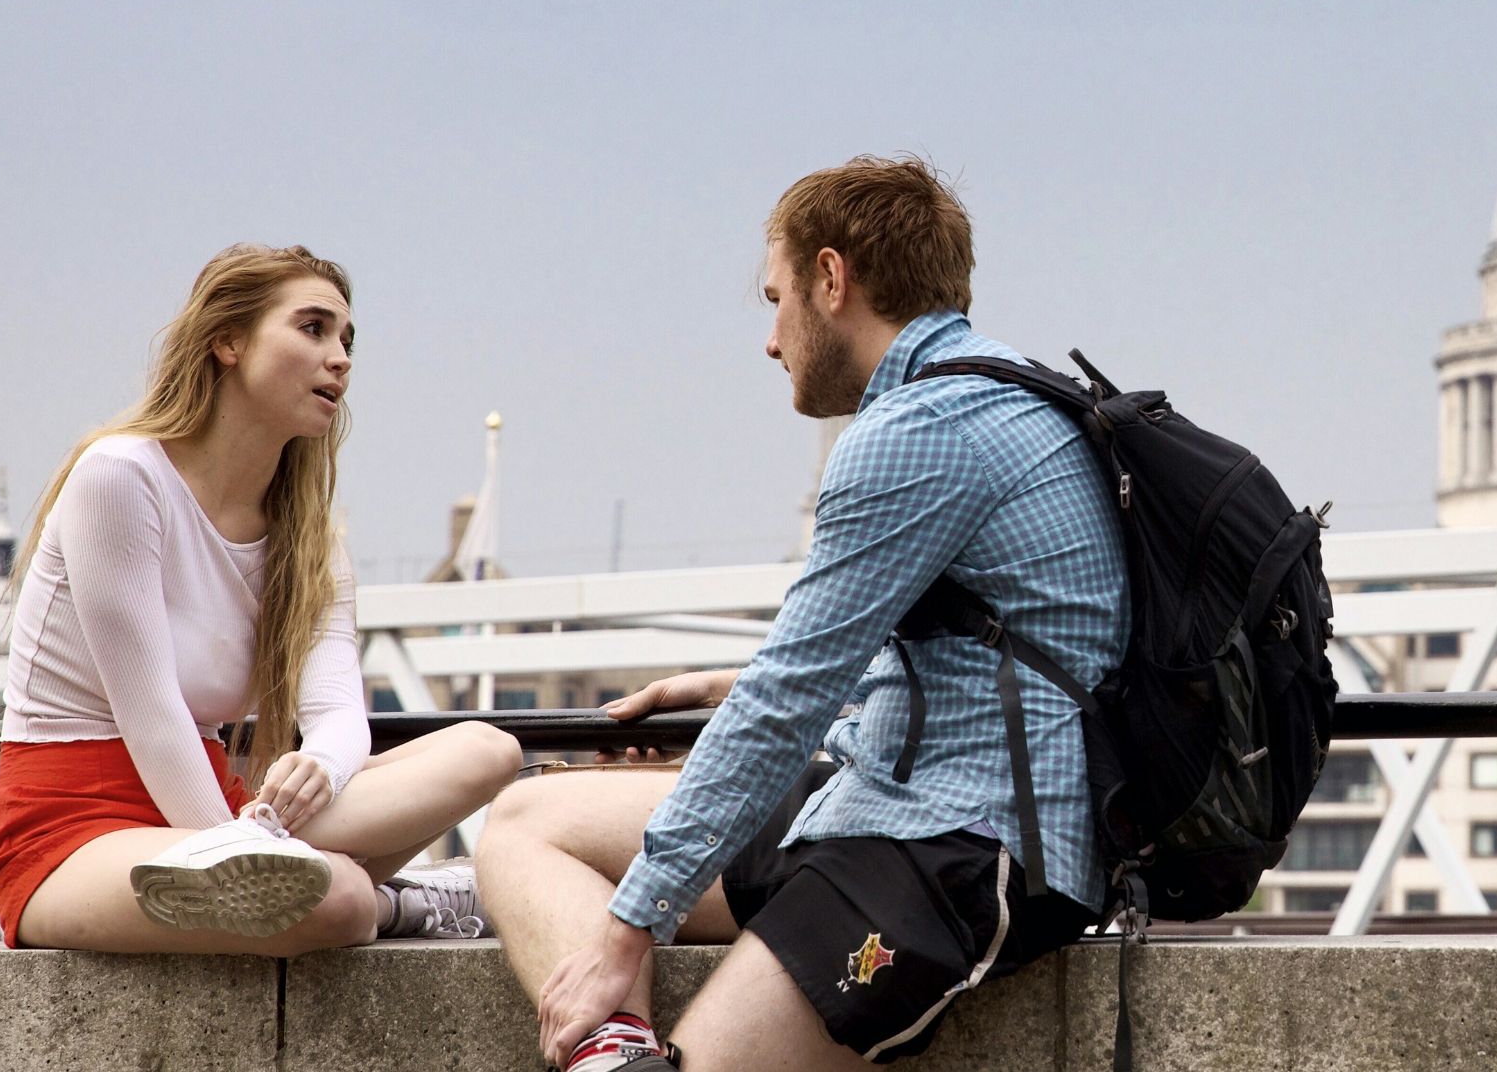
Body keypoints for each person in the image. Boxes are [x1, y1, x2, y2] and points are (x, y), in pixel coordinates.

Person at [476, 158, 1129, 1070]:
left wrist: (627, 933)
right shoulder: (1017, 392)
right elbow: (989, 641)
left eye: (775, 298)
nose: (771, 340)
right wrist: (735, 679)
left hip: (961, 850)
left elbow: (786, 707)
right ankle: (618, 1057)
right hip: (880, 806)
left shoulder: (916, 432)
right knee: (524, 821)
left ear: (832, 280)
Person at [0, 243, 523, 955]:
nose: (341, 358)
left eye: (348, 340)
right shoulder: (120, 476)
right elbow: (152, 717)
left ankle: (327, 882)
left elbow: (337, 715)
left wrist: (319, 769)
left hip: (228, 812)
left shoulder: (310, 537)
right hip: (74, 830)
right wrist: (237, 848)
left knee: (490, 750)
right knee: (339, 898)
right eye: (313, 328)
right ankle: (407, 901)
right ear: (228, 341)